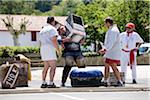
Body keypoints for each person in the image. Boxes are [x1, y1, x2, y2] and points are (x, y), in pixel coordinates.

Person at [98, 17, 123, 86]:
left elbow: (111, 42)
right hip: (110, 51)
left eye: (105, 23)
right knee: (107, 65)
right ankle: (106, 80)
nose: (104, 24)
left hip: (113, 52)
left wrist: (105, 49)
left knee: (113, 66)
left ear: (108, 23)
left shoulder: (113, 31)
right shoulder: (112, 30)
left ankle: (119, 81)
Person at [39, 16, 61, 88]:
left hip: (43, 47)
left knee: (46, 67)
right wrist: (58, 50)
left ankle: (43, 82)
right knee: (53, 66)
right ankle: (51, 82)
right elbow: (54, 40)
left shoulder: (42, 29)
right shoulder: (52, 29)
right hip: (49, 47)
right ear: (53, 21)